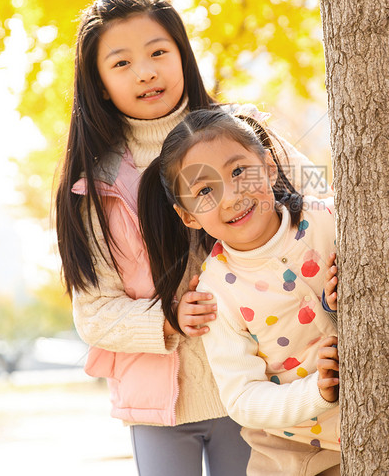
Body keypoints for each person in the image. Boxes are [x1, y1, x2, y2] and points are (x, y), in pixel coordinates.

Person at [54, 0, 325, 475]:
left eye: (159, 52)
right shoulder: (95, 186)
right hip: (160, 402)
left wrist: (343, 263)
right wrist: (166, 318)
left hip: (261, 382)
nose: (145, 72)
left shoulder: (245, 134)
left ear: (183, 55)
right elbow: (93, 313)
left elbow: (324, 198)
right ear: (98, 84)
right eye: (122, 63)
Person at [138, 109, 341, 476]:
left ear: (268, 167)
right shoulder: (216, 291)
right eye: (204, 191)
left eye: (237, 172)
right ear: (188, 217)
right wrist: (317, 393)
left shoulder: (330, 221)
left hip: (374, 426)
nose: (230, 197)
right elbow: (243, 396)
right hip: (290, 451)